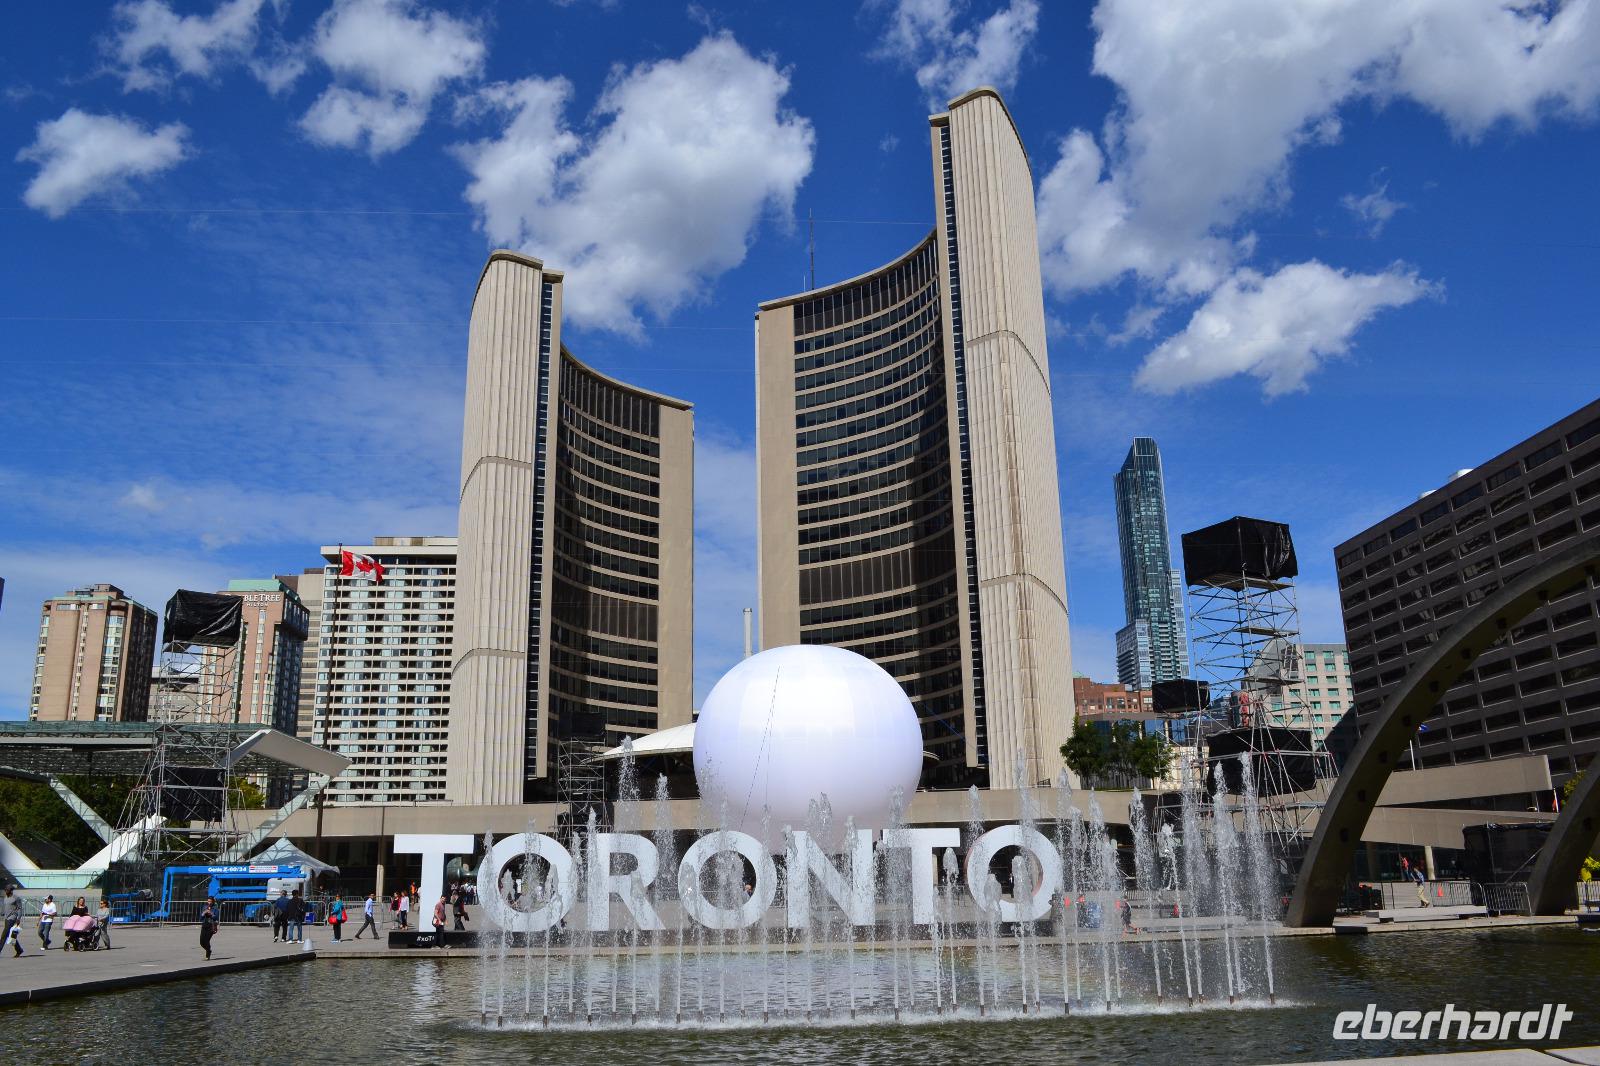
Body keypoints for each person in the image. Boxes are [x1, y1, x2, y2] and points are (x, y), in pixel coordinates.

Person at [3, 886, 23, 957]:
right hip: (6, 918)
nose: (5, 891)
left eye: (7, 890)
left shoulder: (16, 898)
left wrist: (18, 918)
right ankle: (19, 950)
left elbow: (20, 909)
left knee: (4, 935)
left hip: (13, 918)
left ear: (11, 890)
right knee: (10, 935)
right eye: (5, 890)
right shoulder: (5, 898)